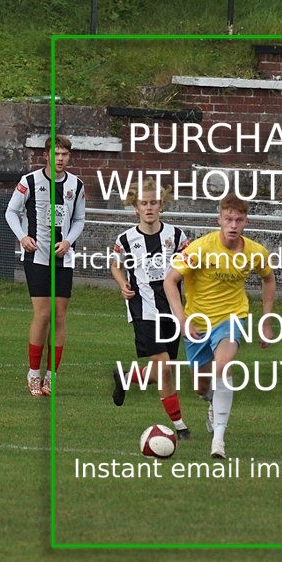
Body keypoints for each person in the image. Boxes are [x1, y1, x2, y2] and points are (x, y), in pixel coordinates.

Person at [163, 193, 276, 459]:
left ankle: (219, 440)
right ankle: (212, 401)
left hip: (232, 317)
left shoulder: (255, 252)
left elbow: (269, 280)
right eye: (228, 219)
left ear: (246, 221)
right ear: (219, 219)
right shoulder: (200, 248)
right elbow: (170, 281)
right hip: (198, 322)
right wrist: (182, 319)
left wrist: (267, 320)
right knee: (201, 387)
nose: (233, 224)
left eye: (239, 219)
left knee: (224, 365)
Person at [5, 134, 85, 397]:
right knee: (43, 314)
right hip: (37, 256)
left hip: (63, 258)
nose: (60, 158)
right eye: (56, 153)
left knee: (60, 315)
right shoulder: (29, 182)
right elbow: (11, 212)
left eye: (65, 154)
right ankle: (33, 373)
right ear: (46, 155)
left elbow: (79, 220)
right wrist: (23, 237)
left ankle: (51, 376)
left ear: (69, 157)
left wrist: (69, 242)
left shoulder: (77, 185)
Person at [111, 180, 190, 439]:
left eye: (153, 203)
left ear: (161, 205)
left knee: (161, 371)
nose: (148, 208)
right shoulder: (125, 239)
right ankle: (179, 426)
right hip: (142, 310)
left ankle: (128, 377)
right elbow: (115, 264)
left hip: (172, 310)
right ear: (135, 207)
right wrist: (122, 282)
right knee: (165, 368)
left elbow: (189, 265)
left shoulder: (177, 236)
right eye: (143, 203)